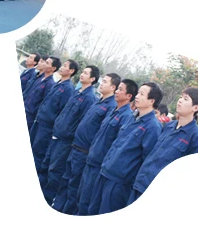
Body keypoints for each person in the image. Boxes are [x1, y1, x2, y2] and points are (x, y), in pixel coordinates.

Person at [52, 73, 120, 215]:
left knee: (73, 187)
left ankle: (66, 212)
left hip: (84, 152)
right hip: (75, 146)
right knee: (65, 180)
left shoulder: (111, 106)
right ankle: (57, 207)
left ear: (113, 87)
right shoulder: (98, 101)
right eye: (102, 81)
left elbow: (101, 133)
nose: (101, 84)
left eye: (105, 82)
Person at [91, 82, 163, 215]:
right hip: (106, 171)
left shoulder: (153, 127)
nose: (137, 96)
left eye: (142, 94)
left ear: (151, 101)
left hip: (119, 182)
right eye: (138, 92)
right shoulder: (132, 117)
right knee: (92, 210)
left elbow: (146, 159)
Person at [130, 88, 198, 205]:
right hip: (141, 182)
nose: (180, 100)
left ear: (195, 108)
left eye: (185, 99)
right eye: (180, 97)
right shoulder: (168, 126)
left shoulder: (196, 136)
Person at [75, 78, 136, 215]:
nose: (117, 91)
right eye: (117, 88)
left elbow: (116, 144)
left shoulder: (126, 116)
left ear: (128, 96)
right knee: (79, 197)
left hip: (99, 165)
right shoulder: (113, 110)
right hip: (91, 160)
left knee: (86, 202)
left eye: (120, 89)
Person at [42, 65, 99, 204]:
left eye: (86, 73)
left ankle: (47, 199)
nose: (82, 75)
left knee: (55, 171)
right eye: (83, 72)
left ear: (92, 79)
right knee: (46, 165)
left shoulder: (89, 98)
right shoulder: (77, 92)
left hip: (65, 140)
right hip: (57, 134)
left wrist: (68, 134)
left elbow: (81, 121)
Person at [30, 59, 76, 180]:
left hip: (47, 126)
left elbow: (62, 110)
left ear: (71, 71)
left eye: (65, 66)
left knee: (38, 154)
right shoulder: (58, 83)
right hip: (39, 121)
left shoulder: (68, 88)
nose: (62, 67)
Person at [23, 57, 57, 130]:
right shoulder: (39, 78)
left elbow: (43, 102)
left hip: (30, 115)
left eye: (47, 63)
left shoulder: (50, 84)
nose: (44, 64)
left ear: (53, 68)